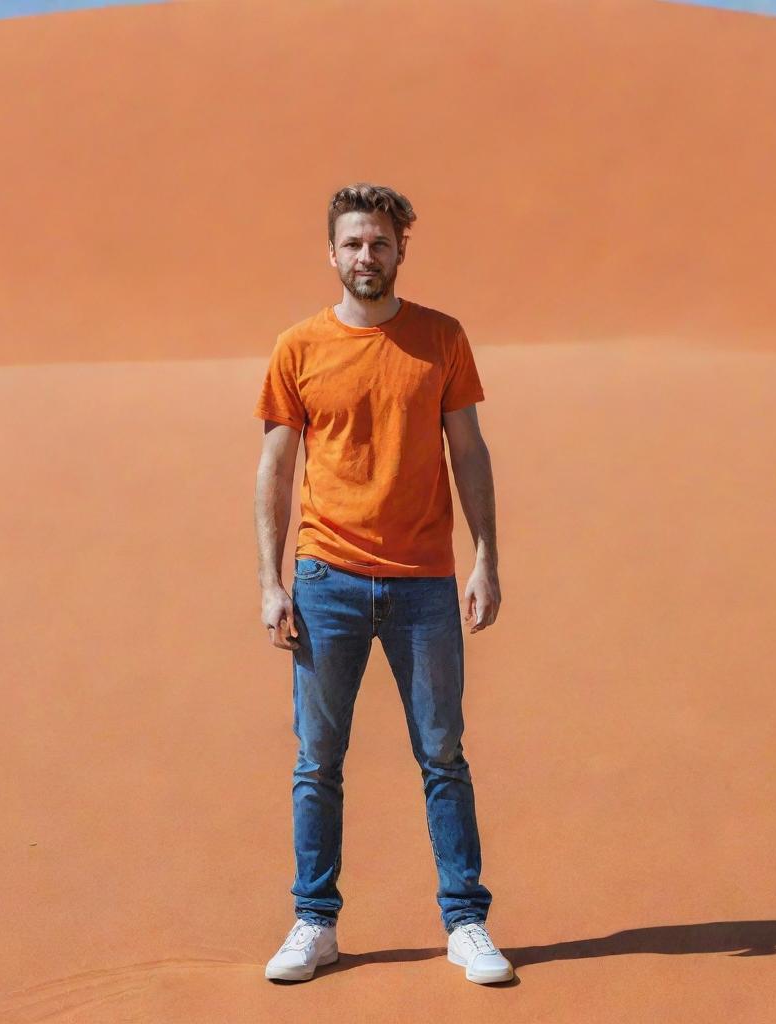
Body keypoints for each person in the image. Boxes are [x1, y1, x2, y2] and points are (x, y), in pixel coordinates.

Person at [253, 182, 511, 985]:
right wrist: (271, 582)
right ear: (332, 253)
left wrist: (486, 559)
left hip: (424, 587)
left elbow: (468, 451)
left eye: (381, 243)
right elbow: (275, 466)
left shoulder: (442, 338)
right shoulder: (297, 348)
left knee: (442, 756)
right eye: (354, 243)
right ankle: (314, 922)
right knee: (317, 761)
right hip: (325, 578)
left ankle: (466, 923)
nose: (368, 256)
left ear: (402, 251)